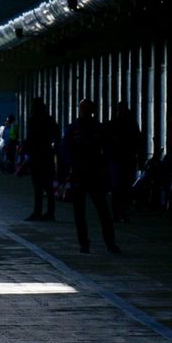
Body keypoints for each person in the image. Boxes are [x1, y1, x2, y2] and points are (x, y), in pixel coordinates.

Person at [61, 98, 119, 254]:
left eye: (88, 109)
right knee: (84, 212)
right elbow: (65, 151)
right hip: (82, 174)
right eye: (84, 108)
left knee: (99, 211)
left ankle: (103, 243)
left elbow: (107, 151)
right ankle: (90, 244)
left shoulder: (95, 129)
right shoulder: (76, 129)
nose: (86, 111)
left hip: (94, 174)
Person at [106, 101, 144, 223]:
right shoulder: (132, 124)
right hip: (127, 158)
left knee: (117, 187)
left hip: (117, 159)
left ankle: (117, 213)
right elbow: (138, 141)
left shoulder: (113, 125)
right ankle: (122, 212)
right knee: (124, 187)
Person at [24, 98, 59, 221]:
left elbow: (29, 139)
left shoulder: (32, 120)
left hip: (36, 157)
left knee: (37, 187)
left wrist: (27, 153)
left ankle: (37, 212)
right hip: (47, 155)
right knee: (48, 187)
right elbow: (57, 135)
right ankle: (50, 212)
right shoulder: (49, 120)